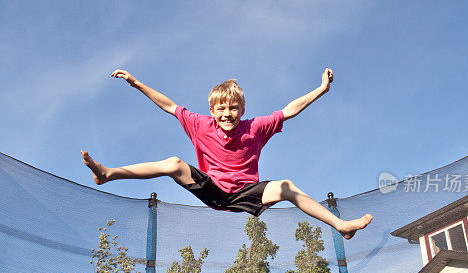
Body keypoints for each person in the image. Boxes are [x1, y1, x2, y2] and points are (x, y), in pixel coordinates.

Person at [81, 69, 372, 239]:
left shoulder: (256, 127)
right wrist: (137, 84)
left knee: (286, 187)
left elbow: (290, 109)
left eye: (233, 108)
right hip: (213, 190)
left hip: (246, 193)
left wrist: (321, 89)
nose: (227, 114)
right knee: (173, 163)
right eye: (220, 109)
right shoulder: (199, 124)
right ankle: (108, 174)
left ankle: (341, 226)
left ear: (241, 110)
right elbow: (169, 105)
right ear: (212, 111)